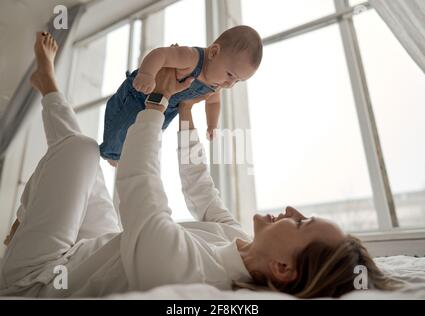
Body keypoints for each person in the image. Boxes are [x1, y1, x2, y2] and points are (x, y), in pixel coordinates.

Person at [0, 33, 399, 298]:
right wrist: (186, 111)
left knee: (83, 151)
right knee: (82, 158)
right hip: (99, 246)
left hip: (39, 278)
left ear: (281, 269)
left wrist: (158, 101)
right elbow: (199, 186)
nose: (292, 211)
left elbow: (140, 190)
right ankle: (47, 84)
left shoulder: (193, 276)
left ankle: (26, 226)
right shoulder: (234, 236)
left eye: (300, 223)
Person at [99, 25, 263, 166]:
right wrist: (147, 74)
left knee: (143, 140)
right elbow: (160, 55)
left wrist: (212, 124)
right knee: (119, 128)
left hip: (165, 110)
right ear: (214, 52)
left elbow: (213, 103)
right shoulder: (191, 58)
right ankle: (111, 152)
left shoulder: (216, 84)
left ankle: (121, 155)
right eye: (230, 74)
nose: (230, 84)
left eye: (237, 81)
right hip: (139, 95)